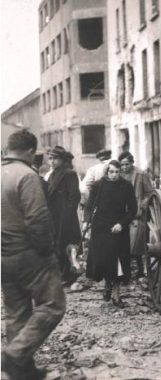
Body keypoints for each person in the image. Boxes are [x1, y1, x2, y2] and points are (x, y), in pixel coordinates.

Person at [1, 130, 66, 380]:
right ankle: (12, 356)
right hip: (28, 254)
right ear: (30, 151)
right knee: (53, 305)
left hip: (3, 256)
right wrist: (49, 252)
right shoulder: (27, 176)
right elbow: (37, 219)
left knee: (17, 312)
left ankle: (21, 372)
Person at [85, 160, 137, 307]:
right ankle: (107, 284)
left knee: (118, 261)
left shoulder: (126, 186)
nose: (114, 175)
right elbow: (89, 206)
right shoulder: (99, 185)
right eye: (111, 172)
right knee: (104, 260)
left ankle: (116, 294)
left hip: (118, 228)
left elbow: (133, 209)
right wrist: (86, 222)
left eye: (117, 172)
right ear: (107, 171)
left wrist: (122, 224)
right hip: (101, 227)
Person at [47, 145, 81, 284]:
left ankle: (69, 276)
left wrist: (68, 214)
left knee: (67, 244)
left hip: (66, 217)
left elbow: (75, 196)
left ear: (62, 159)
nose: (52, 162)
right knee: (58, 244)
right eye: (50, 158)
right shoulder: (52, 175)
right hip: (54, 217)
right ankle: (62, 274)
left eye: (55, 158)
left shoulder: (69, 174)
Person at [118, 151, 153, 277]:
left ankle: (139, 268)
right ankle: (124, 271)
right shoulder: (118, 175)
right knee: (121, 243)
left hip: (136, 214)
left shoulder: (140, 174)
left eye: (127, 164)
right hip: (122, 213)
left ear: (132, 163)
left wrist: (142, 206)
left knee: (135, 243)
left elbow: (149, 193)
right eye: (122, 165)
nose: (124, 167)